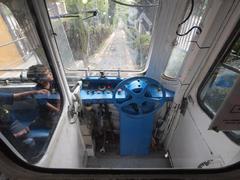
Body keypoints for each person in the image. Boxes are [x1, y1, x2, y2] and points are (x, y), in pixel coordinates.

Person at [27, 64, 61, 129]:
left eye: (49, 72)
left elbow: (59, 94)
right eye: (47, 74)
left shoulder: (54, 83)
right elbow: (45, 104)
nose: (50, 73)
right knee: (55, 125)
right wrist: (57, 110)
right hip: (48, 112)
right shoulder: (37, 90)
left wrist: (59, 106)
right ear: (41, 80)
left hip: (57, 106)